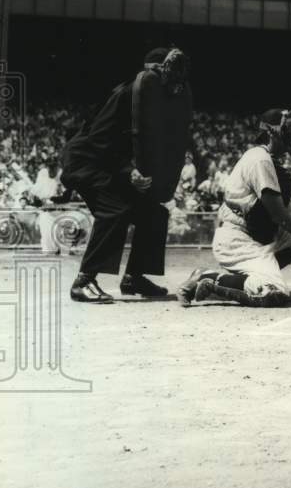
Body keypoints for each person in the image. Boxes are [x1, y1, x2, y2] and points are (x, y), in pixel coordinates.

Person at [178, 109, 291, 308]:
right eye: (289, 129)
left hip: (257, 234)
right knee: (273, 293)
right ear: (271, 132)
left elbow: (284, 220)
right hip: (238, 239)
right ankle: (208, 277)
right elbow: (280, 216)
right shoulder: (260, 159)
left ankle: (253, 276)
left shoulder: (267, 159)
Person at [60, 47, 193, 303]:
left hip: (109, 164)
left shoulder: (159, 103)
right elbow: (99, 139)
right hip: (86, 161)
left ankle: (134, 277)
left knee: (154, 212)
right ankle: (84, 281)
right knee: (116, 206)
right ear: (151, 71)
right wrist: (127, 171)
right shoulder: (128, 93)